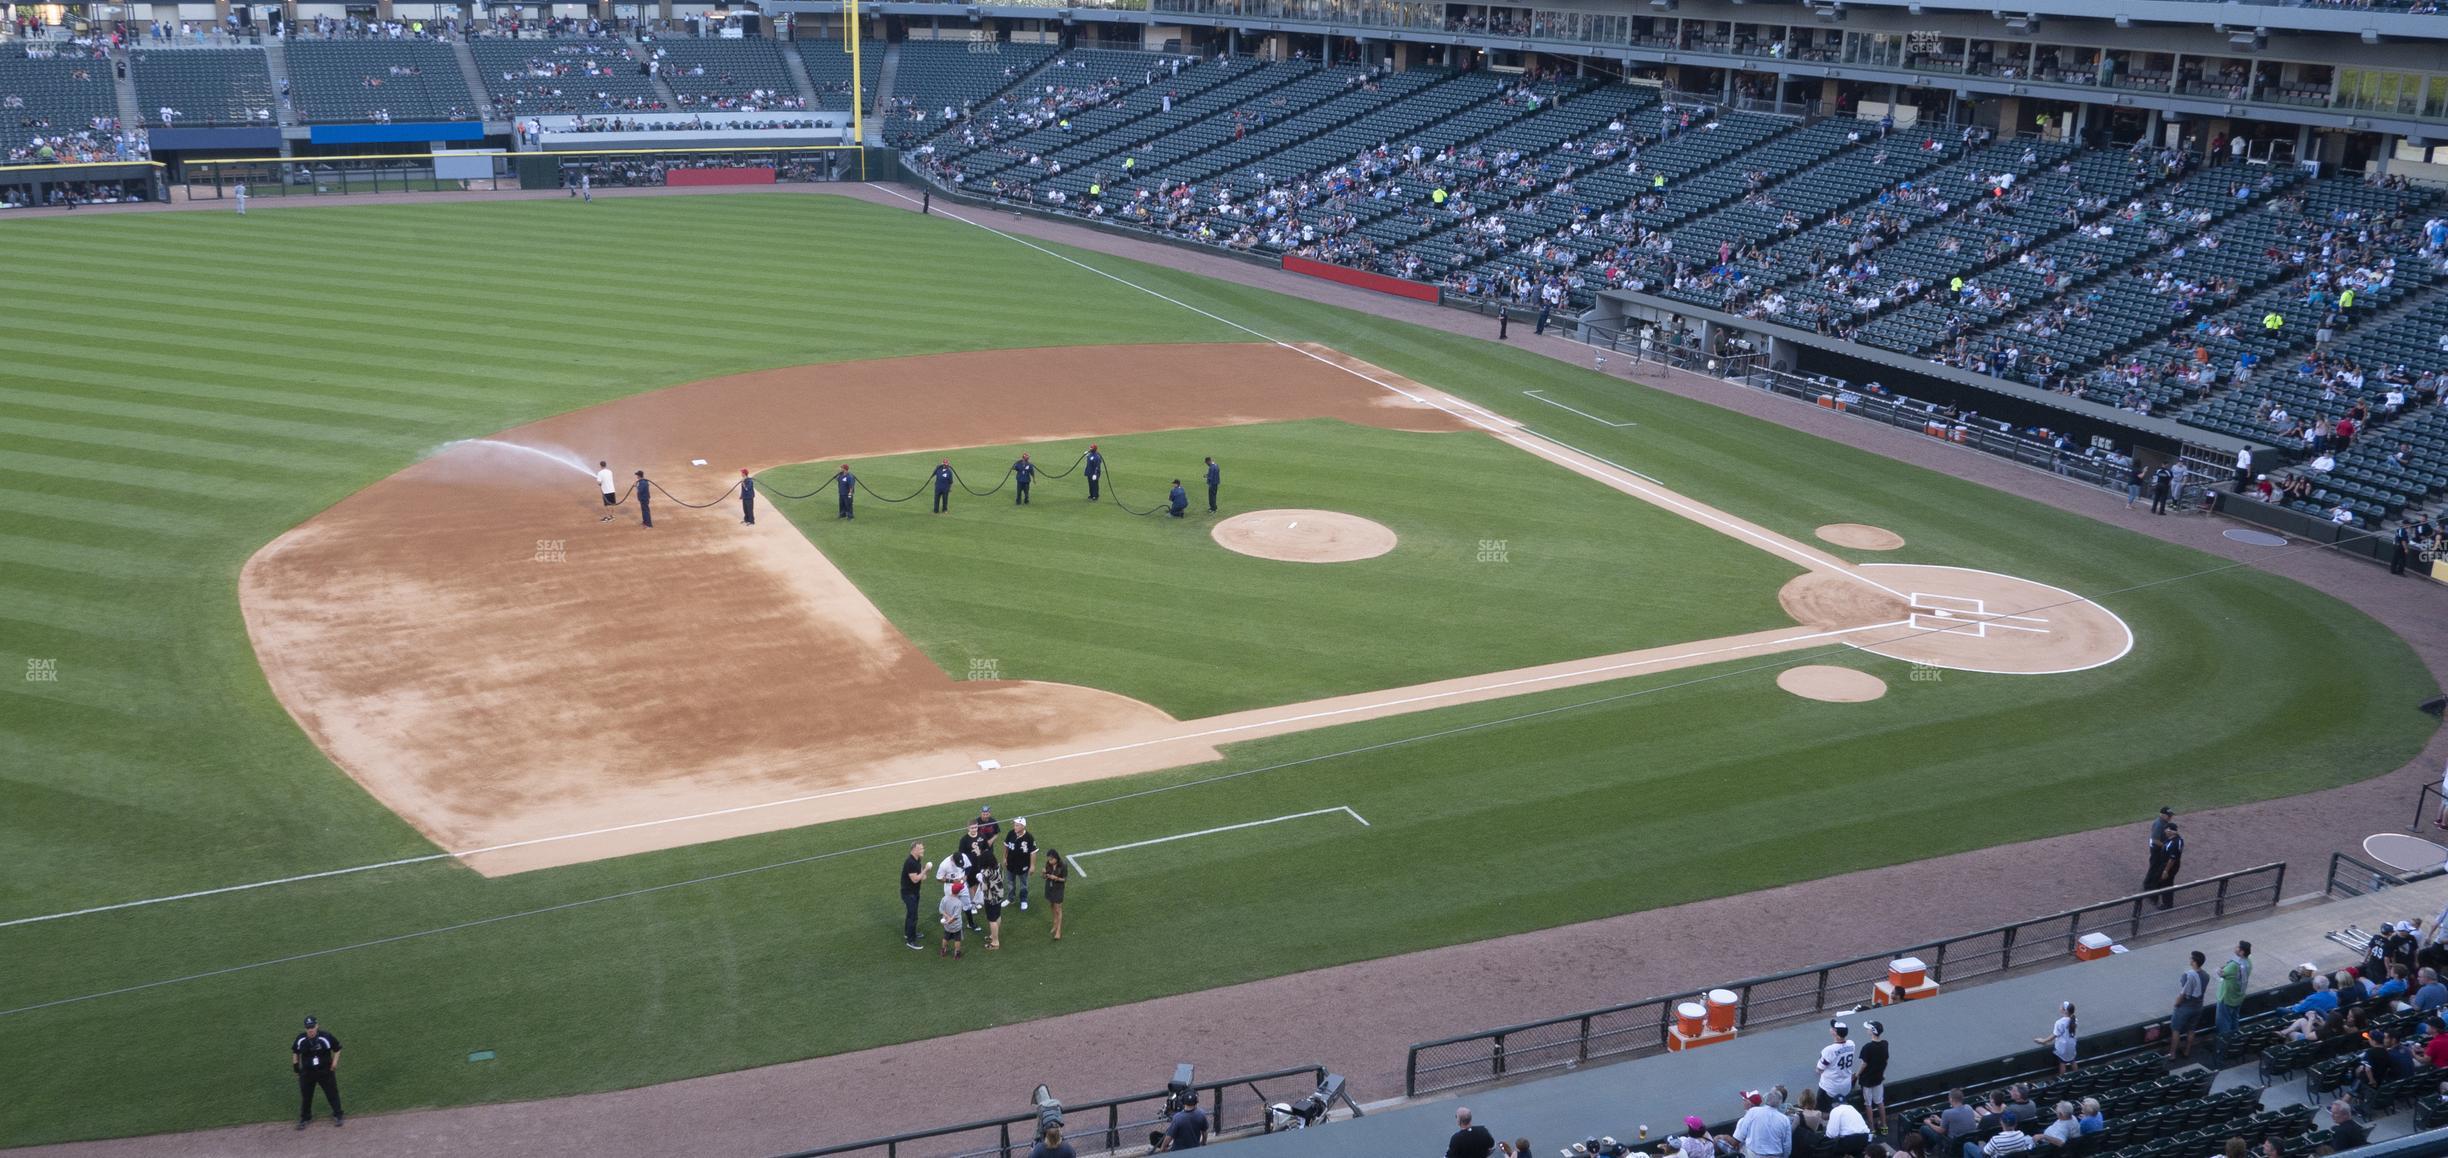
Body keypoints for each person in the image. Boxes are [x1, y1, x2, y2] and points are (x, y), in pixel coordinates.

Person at [292, 1015, 344, 1129]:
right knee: (306, 1096)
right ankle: (305, 1117)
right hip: (307, 1073)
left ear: (317, 1026)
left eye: (312, 1027)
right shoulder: (301, 1039)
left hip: (325, 1071)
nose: (310, 1029)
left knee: (332, 1093)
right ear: (305, 1028)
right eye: (308, 1027)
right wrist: (296, 1068)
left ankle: (338, 1115)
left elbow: (337, 1048)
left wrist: (334, 1063)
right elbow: (295, 1052)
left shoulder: (326, 1037)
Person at [2215, 941, 2252, 1062]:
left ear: (2241, 952)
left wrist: (2220, 968)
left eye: (2237, 947)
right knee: (2234, 1021)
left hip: (2227, 998)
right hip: (2239, 997)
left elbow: (2221, 972)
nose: (2235, 948)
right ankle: (2235, 1043)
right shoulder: (2248, 962)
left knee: (2223, 1024)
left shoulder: (2233, 966)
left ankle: (2223, 1050)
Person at [2171, 950, 2210, 1058]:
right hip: (2198, 1006)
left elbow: (2183, 993)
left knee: (2176, 1029)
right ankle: (2187, 1051)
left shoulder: (2188, 975)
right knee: (2191, 1029)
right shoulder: (2206, 975)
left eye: (2191, 958)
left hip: (2185, 1007)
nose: (2189, 960)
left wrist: (2176, 1004)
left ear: (2194, 961)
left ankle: (2172, 1054)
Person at [1736, 1091, 1791, 1158]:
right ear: (1780, 1103)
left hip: (1753, 1155)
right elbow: (1787, 1146)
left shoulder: (1753, 1111)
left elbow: (1741, 1136)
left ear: (1766, 1100)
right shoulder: (1785, 1120)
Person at [1816, 1021, 1858, 1109]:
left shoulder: (1829, 1050)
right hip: (1846, 1087)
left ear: (1835, 1032)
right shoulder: (1851, 1044)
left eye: (1832, 1027)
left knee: (1824, 1112)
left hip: (1829, 1088)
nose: (1830, 1028)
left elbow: (1819, 1069)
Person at [1857, 1021, 1890, 1132]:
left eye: (1869, 1029)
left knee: (1868, 1104)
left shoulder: (1867, 1047)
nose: (1867, 1030)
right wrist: (1882, 1073)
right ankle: (1884, 1126)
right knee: (1880, 1102)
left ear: (1872, 1031)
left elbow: (1864, 1064)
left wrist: (1857, 1075)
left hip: (1867, 1080)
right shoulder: (1885, 1044)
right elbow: (1885, 1061)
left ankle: (1871, 1129)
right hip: (1878, 1079)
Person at [899, 841, 928, 950]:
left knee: (911, 915)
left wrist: (926, 871)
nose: (923, 850)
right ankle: (910, 941)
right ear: (914, 850)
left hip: (914, 893)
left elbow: (922, 877)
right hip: (908, 894)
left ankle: (909, 933)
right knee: (913, 916)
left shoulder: (917, 860)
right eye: (920, 849)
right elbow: (915, 879)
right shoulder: (910, 862)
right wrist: (925, 869)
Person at [1005, 818, 1037, 911]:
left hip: (1023, 866)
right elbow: (1006, 846)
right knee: (1010, 883)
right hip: (1010, 864)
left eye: (1017, 825)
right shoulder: (1011, 833)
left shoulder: (1029, 837)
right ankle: (1010, 898)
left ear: (1023, 826)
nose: (1014, 827)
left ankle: (1023, 900)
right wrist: (1004, 857)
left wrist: (1033, 866)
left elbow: (1033, 852)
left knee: (1023, 884)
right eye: (1014, 825)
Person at [2152, 822, 2184, 910]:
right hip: (2167, 864)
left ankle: (2167, 904)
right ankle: (2157, 898)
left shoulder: (2174, 843)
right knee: (2161, 881)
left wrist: (2166, 871)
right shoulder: (2174, 839)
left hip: (2170, 866)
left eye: (2166, 830)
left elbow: (2172, 859)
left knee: (2166, 883)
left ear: (2170, 831)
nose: (2165, 832)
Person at [2038, 1002, 2077, 1074]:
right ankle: (2077, 1074)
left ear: (2065, 1011)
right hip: (2072, 1044)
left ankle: (2062, 1078)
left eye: (2062, 1006)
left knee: (2062, 1063)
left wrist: (2043, 1041)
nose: (2060, 1006)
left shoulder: (2059, 1022)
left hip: (2063, 1047)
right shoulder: (2074, 1020)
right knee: (2072, 1060)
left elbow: (2055, 1035)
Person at [938, 879, 968, 958]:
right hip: (956, 925)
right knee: (957, 939)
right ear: (959, 892)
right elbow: (956, 916)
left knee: (945, 937)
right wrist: (949, 921)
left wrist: (947, 918)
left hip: (947, 925)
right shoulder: (958, 903)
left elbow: (941, 910)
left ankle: (943, 950)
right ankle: (957, 954)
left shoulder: (944, 898)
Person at [1044, 848, 1068, 939]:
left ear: (1056, 858)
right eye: (1049, 859)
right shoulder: (1048, 864)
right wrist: (1044, 874)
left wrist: (1056, 878)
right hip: (1049, 888)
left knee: (1058, 909)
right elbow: (1045, 876)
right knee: (1052, 905)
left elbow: (1065, 879)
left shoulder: (1063, 865)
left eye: (1051, 859)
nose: (1049, 861)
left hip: (1058, 889)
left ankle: (1058, 930)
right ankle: (1055, 923)